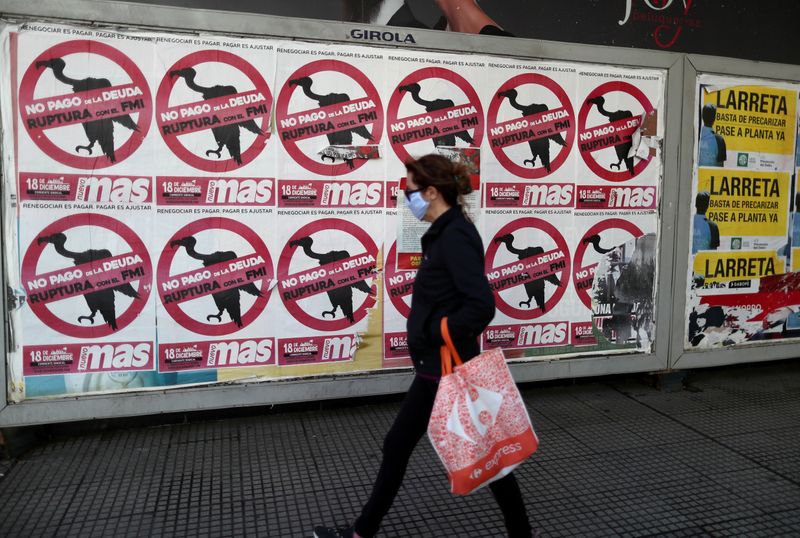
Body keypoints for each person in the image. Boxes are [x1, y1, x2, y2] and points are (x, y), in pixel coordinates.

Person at [313, 154, 533, 538]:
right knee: (451, 449)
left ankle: (362, 531)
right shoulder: (446, 233)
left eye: (410, 191)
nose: (406, 198)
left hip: (444, 365)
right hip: (437, 365)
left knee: (405, 445)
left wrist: (434, 329)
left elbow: (480, 306)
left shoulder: (454, 236)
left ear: (431, 192)